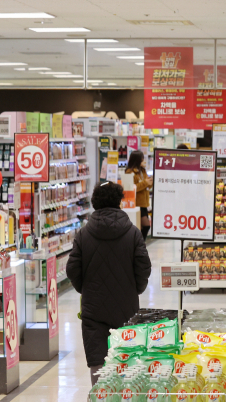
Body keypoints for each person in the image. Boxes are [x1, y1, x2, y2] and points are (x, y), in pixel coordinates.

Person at [66, 182, 151, 385]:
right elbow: (143, 267)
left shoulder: (83, 234)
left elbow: (72, 269)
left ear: (95, 203)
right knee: (127, 360)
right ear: (119, 201)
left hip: (93, 310)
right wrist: (135, 290)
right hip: (126, 308)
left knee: (98, 363)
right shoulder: (133, 233)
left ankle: (100, 396)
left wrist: (85, 289)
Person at [125, 150, 153, 239]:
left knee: (142, 227)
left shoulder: (143, 171)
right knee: (145, 226)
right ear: (137, 160)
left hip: (144, 203)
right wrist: (145, 183)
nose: (144, 161)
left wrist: (151, 182)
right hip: (136, 204)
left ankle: (139, 245)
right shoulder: (130, 172)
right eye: (142, 159)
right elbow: (132, 188)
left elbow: (147, 184)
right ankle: (140, 244)